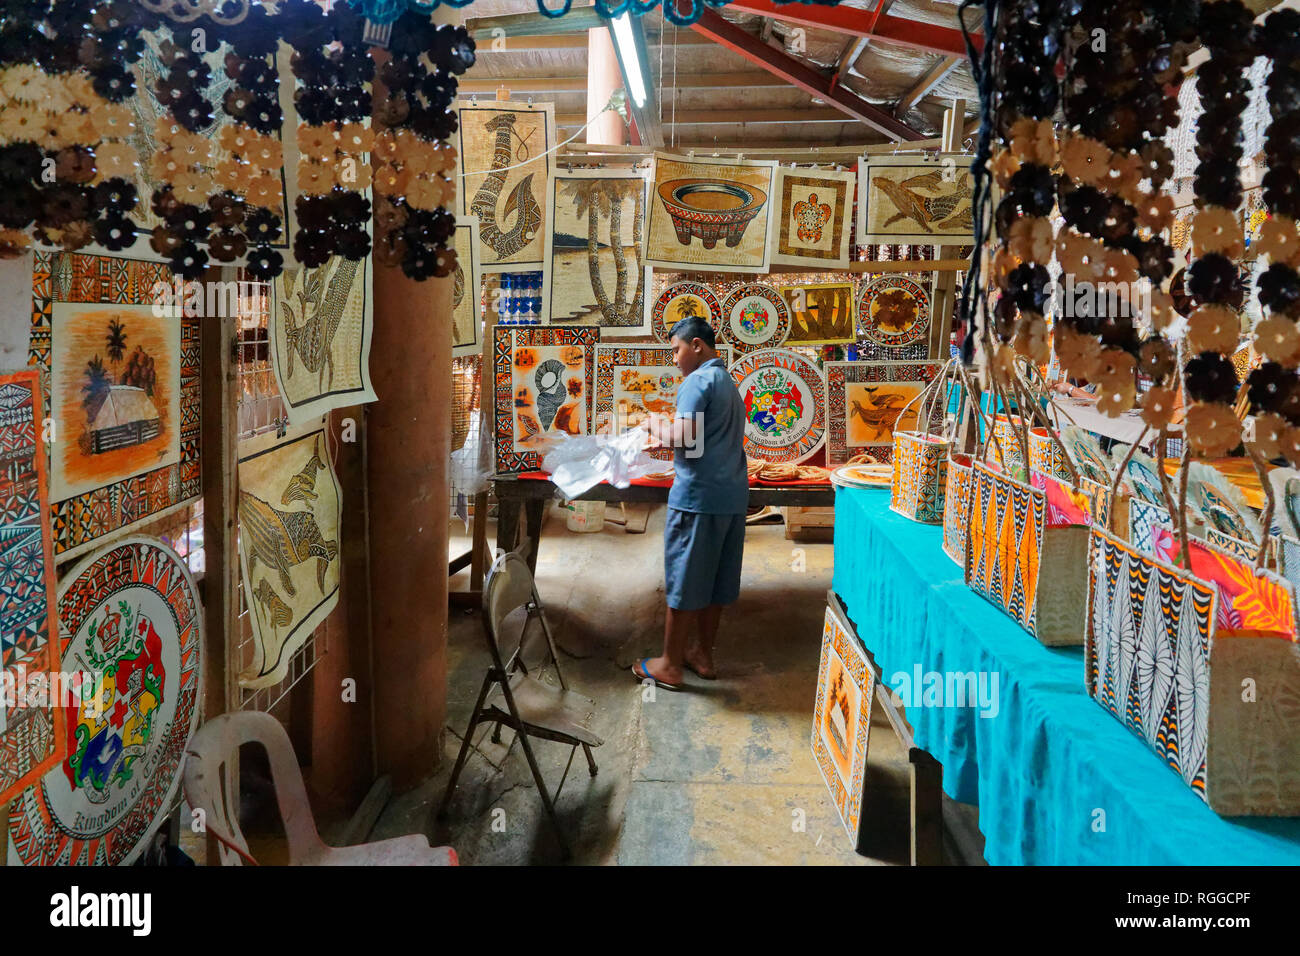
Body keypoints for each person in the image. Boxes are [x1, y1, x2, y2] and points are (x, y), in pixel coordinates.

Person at [632, 316, 749, 690]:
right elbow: (701, 440)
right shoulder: (727, 382)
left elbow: (684, 438)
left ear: (697, 345)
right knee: (714, 581)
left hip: (698, 498)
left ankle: (668, 664)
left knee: (684, 579)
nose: (675, 359)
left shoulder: (697, 380)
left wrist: (652, 424)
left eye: (677, 350)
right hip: (730, 496)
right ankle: (703, 653)